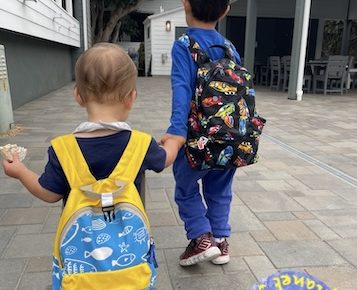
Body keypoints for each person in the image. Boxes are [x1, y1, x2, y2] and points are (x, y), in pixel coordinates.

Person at [2, 42, 181, 208]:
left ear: (78, 96)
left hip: (81, 241)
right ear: (131, 98)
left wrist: (20, 172)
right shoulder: (141, 144)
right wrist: (175, 140)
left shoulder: (62, 149)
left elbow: (49, 194)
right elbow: (166, 158)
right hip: (131, 240)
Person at [161, 0, 241, 266]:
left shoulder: (185, 45)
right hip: (231, 136)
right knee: (220, 190)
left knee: (185, 188)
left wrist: (176, 132)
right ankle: (221, 241)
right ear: (225, 10)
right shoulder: (229, 47)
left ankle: (200, 238)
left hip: (198, 137)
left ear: (185, 4)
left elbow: (181, 89)